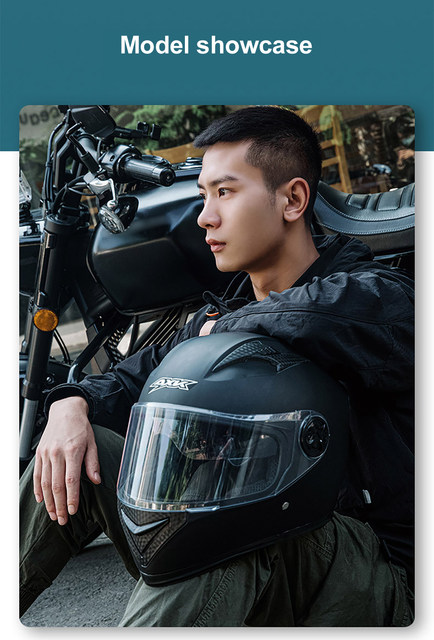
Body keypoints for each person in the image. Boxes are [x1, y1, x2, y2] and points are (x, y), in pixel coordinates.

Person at [20, 106, 414, 626]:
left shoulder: (376, 299)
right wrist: (70, 404)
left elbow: (329, 313)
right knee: (76, 448)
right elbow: (123, 381)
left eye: (225, 192)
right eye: (204, 194)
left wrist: (225, 327)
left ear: (293, 200)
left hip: (377, 577)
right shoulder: (217, 316)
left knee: (225, 514)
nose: (205, 216)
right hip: (269, 545)